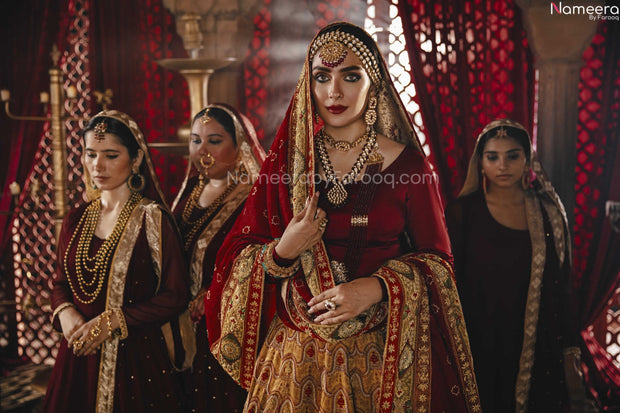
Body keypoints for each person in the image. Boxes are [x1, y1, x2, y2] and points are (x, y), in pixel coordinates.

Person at [205, 22, 480, 412]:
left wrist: (376, 287)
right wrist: (284, 250)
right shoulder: (287, 163)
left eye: (351, 76)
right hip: (293, 362)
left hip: (379, 359)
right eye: (322, 77)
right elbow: (236, 254)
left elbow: (438, 262)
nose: (334, 92)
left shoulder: (408, 165)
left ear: (375, 83)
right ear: (308, 85)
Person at [43, 110, 189, 412]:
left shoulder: (152, 219)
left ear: (135, 160)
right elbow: (60, 283)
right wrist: (67, 313)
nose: (98, 165)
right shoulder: (76, 218)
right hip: (77, 357)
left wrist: (112, 322)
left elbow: (175, 296)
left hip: (136, 361)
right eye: (91, 154)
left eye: (111, 155)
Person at [445, 119, 594, 412]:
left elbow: (561, 285)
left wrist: (569, 354)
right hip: (480, 337)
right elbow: (449, 281)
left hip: (536, 338)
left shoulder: (547, 211)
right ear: (481, 162)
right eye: (493, 157)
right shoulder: (463, 212)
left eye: (513, 155)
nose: (503, 165)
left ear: (528, 159)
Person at [171, 104, 265, 412]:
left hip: (227, 330)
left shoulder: (254, 199)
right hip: (178, 326)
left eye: (214, 140)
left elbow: (262, 263)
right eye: (196, 140)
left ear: (239, 147)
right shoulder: (187, 196)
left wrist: (214, 294)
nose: (202, 150)